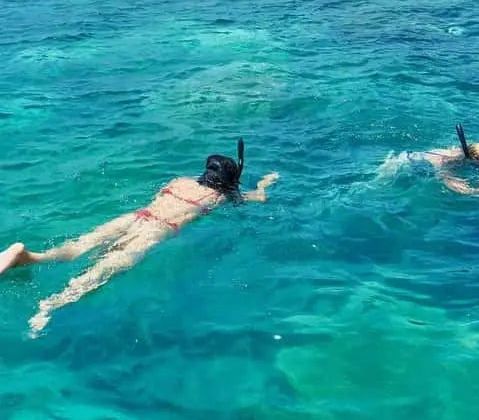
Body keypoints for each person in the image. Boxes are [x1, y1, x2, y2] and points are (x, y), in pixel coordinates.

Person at [0, 139, 278, 335]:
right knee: (104, 271)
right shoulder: (220, 197)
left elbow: (161, 197)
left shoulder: (180, 180)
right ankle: (49, 306)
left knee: (78, 247)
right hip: (158, 229)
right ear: (228, 180)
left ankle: (27, 255)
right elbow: (259, 199)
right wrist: (264, 182)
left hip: (136, 216)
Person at [381, 124, 479, 195]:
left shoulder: (460, 151)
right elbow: (448, 181)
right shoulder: (453, 162)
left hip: (408, 157)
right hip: (402, 163)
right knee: (375, 186)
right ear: (470, 159)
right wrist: (478, 191)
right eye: (478, 165)